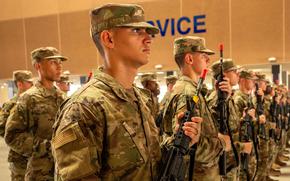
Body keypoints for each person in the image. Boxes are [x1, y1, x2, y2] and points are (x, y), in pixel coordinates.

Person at [51, 3, 201, 181]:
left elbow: (149, 163)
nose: (148, 39)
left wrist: (179, 140)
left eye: (148, 33)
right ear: (108, 39)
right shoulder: (84, 108)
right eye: (136, 31)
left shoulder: (141, 99)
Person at [161, 36, 231, 181]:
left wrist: (221, 98)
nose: (208, 60)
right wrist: (222, 144)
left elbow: (205, 127)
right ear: (189, 59)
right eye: (203, 56)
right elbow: (186, 146)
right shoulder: (188, 93)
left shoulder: (191, 90)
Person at [4, 47, 67, 180]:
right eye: (52, 62)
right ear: (38, 66)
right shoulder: (29, 98)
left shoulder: (63, 98)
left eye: (60, 62)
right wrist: (46, 147)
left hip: (63, 170)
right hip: (40, 173)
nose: (59, 67)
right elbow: (12, 135)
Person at [207, 59, 252, 181]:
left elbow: (231, 129)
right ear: (224, 75)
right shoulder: (216, 100)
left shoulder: (227, 97)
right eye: (234, 71)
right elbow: (216, 138)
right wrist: (241, 147)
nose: (238, 74)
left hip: (231, 161)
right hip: (223, 164)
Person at [0, 70, 33, 181]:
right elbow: (2, 128)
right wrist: (20, 140)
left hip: (34, 155)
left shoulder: (32, 101)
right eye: (29, 82)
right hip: (19, 158)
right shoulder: (11, 104)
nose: (32, 85)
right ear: (19, 84)